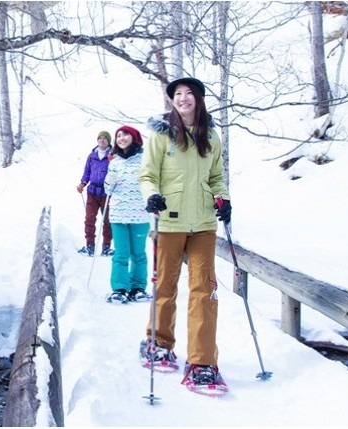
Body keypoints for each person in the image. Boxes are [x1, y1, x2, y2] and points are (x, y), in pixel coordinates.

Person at [139, 77, 232, 388]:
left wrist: (224, 200)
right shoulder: (161, 136)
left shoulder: (212, 137)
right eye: (177, 94)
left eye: (189, 94)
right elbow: (148, 175)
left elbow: (217, 177)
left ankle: (202, 361)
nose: (182, 98)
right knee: (165, 286)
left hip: (204, 224)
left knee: (204, 291)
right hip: (168, 222)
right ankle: (159, 343)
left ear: (199, 99)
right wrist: (151, 195)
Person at [103, 125, 151, 303]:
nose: (121, 138)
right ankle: (119, 288)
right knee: (121, 253)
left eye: (125, 135)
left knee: (138, 253)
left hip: (139, 214)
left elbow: (153, 181)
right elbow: (107, 189)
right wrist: (110, 179)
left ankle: (138, 288)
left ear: (134, 137)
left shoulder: (145, 160)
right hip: (118, 215)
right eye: (118, 136)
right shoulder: (114, 162)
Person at [77, 131, 114, 257]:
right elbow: (87, 171)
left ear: (109, 141)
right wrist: (82, 183)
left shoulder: (113, 156)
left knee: (108, 221)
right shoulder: (91, 156)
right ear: (97, 140)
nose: (102, 140)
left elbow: (117, 172)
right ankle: (89, 247)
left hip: (107, 194)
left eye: (105, 139)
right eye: (100, 138)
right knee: (89, 219)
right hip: (92, 193)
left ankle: (106, 247)